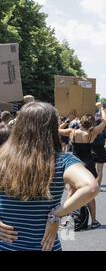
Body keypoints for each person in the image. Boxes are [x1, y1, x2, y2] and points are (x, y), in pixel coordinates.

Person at [0, 102, 99, 251]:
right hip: (44, 246)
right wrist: (56, 215)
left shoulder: (2, 158)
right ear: (52, 128)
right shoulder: (62, 161)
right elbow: (91, 187)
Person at [58, 103, 106, 229]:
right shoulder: (92, 133)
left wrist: (68, 119)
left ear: (80, 122)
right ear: (91, 124)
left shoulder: (72, 132)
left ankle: (65, 219)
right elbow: (105, 120)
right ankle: (94, 221)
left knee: (71, 191)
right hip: (88, 164)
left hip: (74, 164)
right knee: (89, 193)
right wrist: (101, 108)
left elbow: (56, 129)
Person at [92, 117, 106, 188]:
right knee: (100, 171)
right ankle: (98, 186)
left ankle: (91, 185)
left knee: (91, 169)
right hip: (101, 151)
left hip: (92, 150)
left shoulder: (93, 131)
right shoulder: (104, 131)